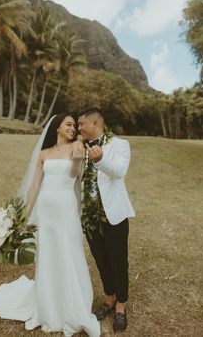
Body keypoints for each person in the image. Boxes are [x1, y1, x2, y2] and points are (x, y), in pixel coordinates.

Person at [0, 113, 100, 337]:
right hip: (46, 210)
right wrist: (23, 215)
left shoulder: (77, 147)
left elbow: (74, 176)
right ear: (56, 127)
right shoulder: (44, 154)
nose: (73, 129)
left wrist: (77, 160)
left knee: (69, 252)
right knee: (49, 254)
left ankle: (74, 306)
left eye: (74, 126)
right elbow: (34, 186)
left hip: (65, 208)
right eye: (69, 125)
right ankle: (48, 305)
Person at [78, 107, 135, 333]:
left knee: (118, 260)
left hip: (114, 215)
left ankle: (121, 306)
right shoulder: (80, 148)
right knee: (100, 259)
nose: (78, 128)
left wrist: (100, 160)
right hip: (90, 217)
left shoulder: (120, 145)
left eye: (82, 124)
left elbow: (119, 171)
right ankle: (109, 298)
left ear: (95, 124)